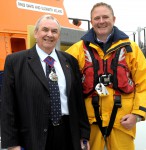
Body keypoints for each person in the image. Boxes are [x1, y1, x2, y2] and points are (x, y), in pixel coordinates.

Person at [66, 2, 146, 150]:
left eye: (106, 17)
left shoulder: (131, 49)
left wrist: (136, 115)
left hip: (122, 123)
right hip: (90, 124)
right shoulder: (77, 50)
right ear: (91, 21)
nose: (101, 21)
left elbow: (145, 82)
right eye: (97, 18)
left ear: (114, 19)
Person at [1, 14, 90, 150]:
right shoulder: (15, 62)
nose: (49, 34)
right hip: (33, 136)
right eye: (45, 30)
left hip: (67, 134)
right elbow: (8, 105)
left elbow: (78, 101)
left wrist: (84, 135)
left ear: (58, 36)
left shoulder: (70, 61)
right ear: (36, 33)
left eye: (54, 31)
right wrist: (12, 144)